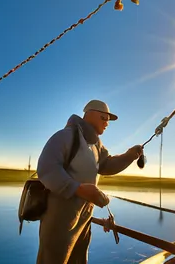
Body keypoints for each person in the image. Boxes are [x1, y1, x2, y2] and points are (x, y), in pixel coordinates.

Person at [36, 99, 143, 264]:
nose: (107, 123)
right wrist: (78, 189)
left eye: (108, 120)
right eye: (104, 118)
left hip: (85, 216)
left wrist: (129, 156)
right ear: (89, 114)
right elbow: (47, 168)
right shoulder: (66, 136)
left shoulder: (96, 145)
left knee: (78, 259)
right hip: (60, 217)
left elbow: (106, 165)